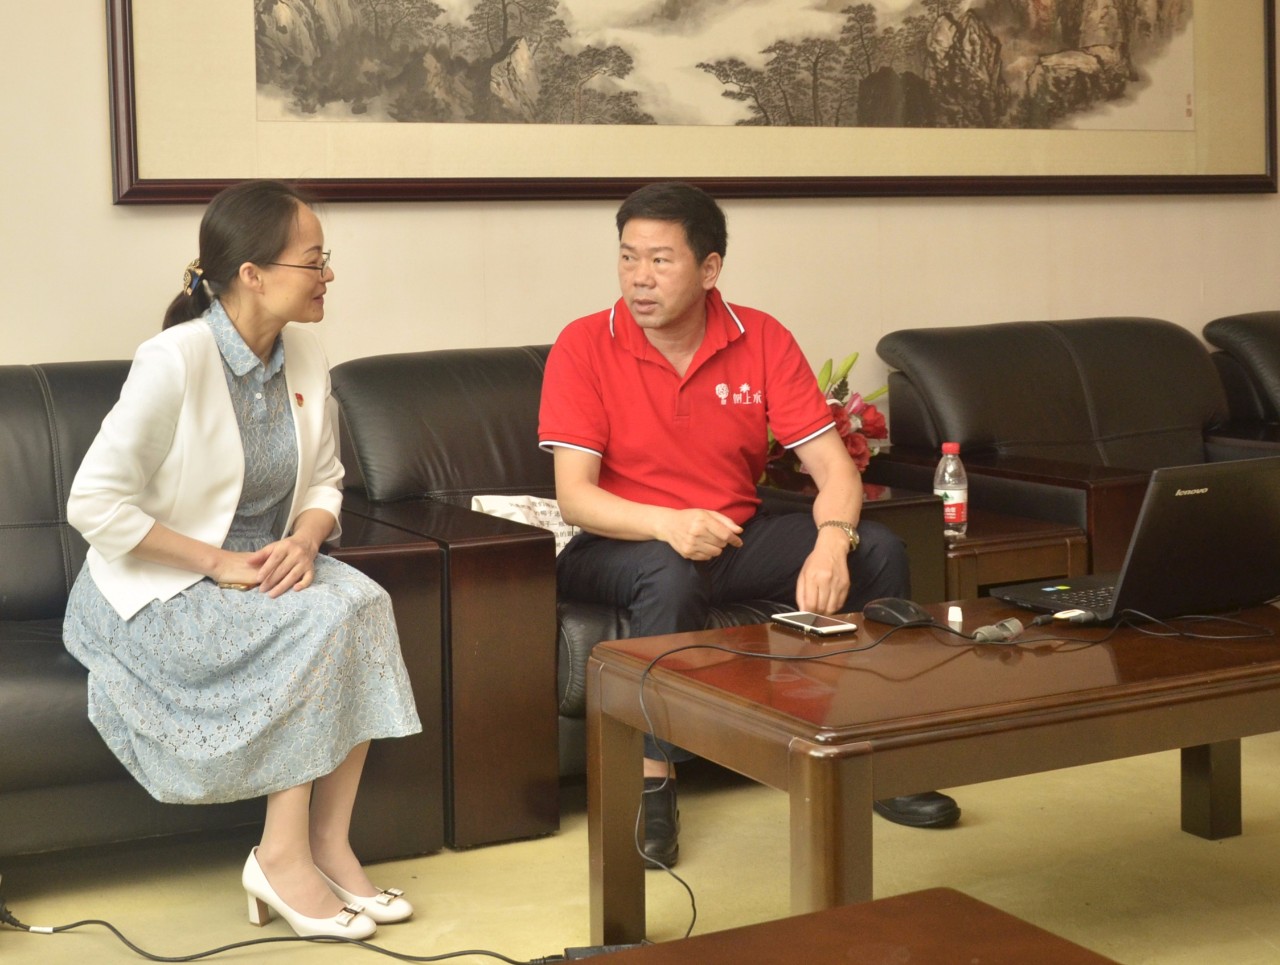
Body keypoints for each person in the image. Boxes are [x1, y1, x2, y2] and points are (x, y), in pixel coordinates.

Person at [537, 181, 960, 867]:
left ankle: (876, 756)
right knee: (669, 568)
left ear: (709, 269)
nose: (639, 278)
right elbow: (575, 499)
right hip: (618, 541)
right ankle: (652, 781)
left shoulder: (759, 337)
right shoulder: (585, 344)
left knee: (878, 548)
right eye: (628, 257)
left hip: (730, 535)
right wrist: (668, 524)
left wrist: (833, 543)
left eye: (661, 260)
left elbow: (836, 469)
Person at [63, 179, 421, 940]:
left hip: (263, 569)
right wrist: (216, 563)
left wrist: (307, 538)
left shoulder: (305, 351)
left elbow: (325, 480)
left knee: (365, 603)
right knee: (320, 621)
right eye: (314, 261)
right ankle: (280, 857)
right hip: (161, 589)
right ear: (252, 273)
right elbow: (92, 504)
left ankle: (328, 843)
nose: (328, 274)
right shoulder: (174, 359)